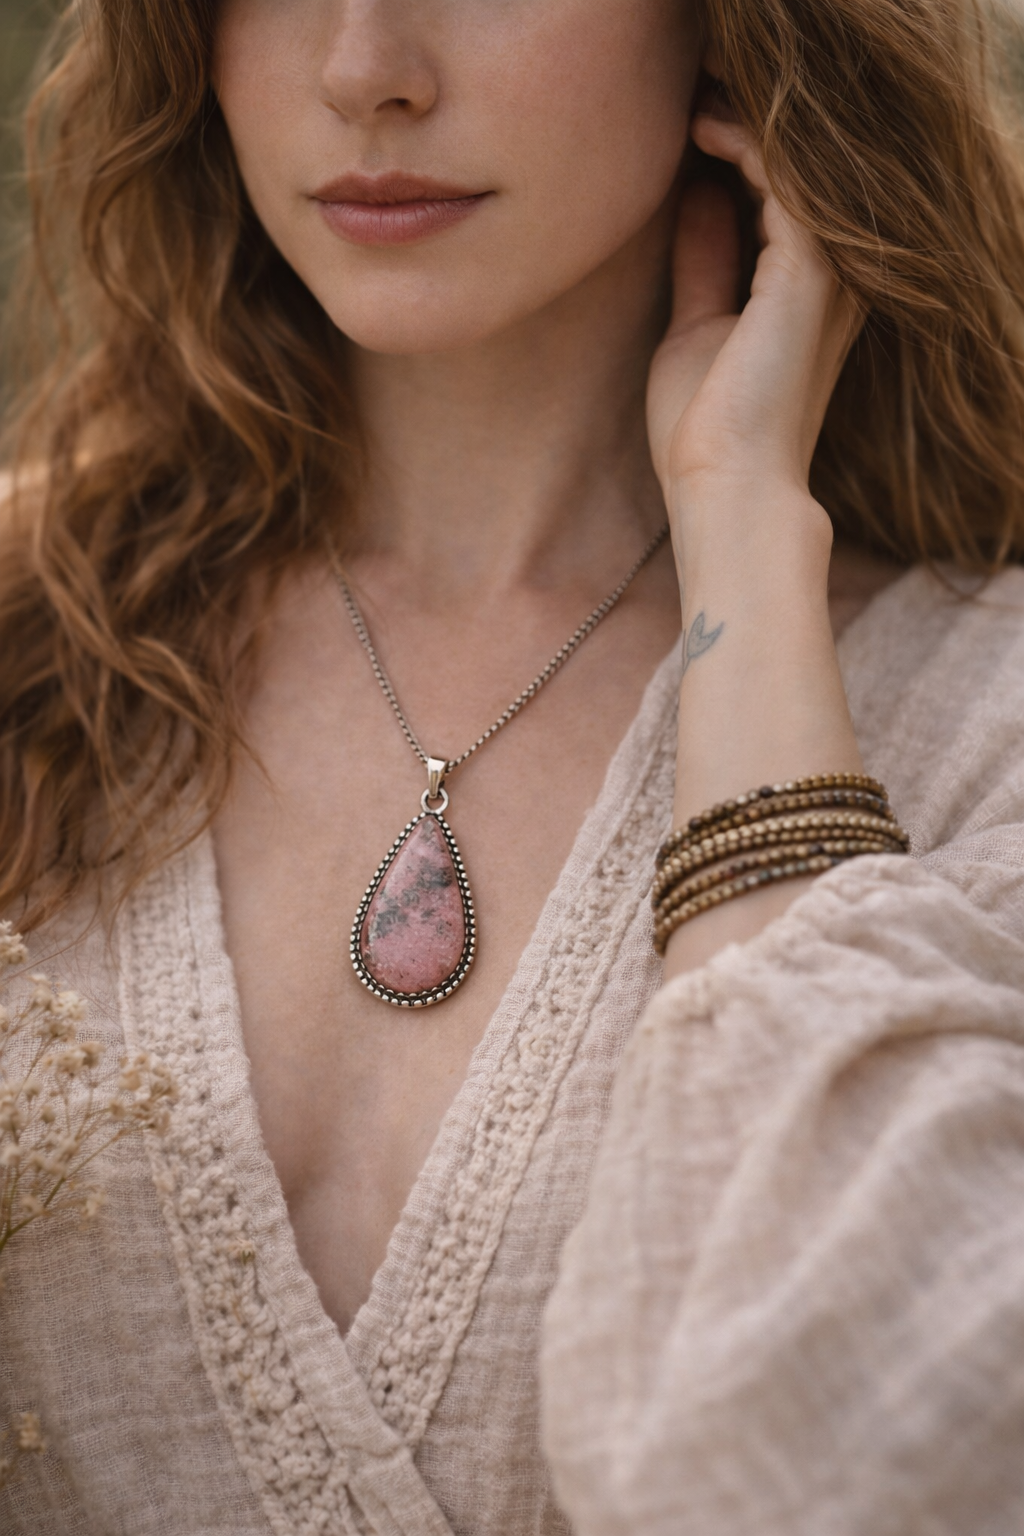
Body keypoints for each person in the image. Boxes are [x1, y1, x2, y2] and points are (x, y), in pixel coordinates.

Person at [2, 0, 1024, 1531]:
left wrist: (744, 525)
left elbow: (819, 1469)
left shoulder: (985, 724)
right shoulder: (28, 630)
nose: (364, 70)